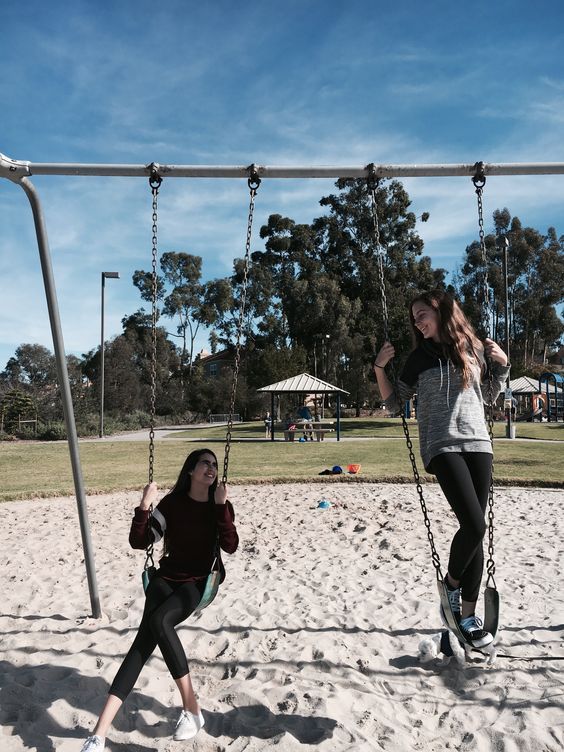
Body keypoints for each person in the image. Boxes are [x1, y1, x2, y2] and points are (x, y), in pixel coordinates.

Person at [374, 290, 509, 649]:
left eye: (422, 314)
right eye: (415, 318)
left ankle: (465, 617)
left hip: (478, 443)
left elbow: (490, 395)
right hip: (442, 444)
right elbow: (392, 405)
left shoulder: (473, 349)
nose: (418, 323)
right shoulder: (419, 357)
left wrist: (503, 365)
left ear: (441, 311)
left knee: (474, 533)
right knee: (475, 524)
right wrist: (378, 368)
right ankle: (449, 587)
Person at [80, 448, 239, 752]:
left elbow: (230, 546)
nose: (211, 468)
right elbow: (140, 541)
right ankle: (98, 735)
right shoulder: (172, 504)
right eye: (205, 463)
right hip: (165, 580)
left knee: (158, 620)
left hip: (197, 583)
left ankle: (191, 709)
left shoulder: (219, 505)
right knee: (140, 647)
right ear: (190, 471)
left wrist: (220, 508)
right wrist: (144, 505)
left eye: (214, 465)